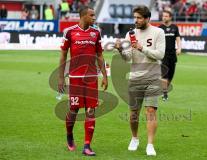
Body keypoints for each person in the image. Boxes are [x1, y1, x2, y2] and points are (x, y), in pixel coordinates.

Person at [115, 5, 165, 156]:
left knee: (151, 111)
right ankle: (135, 138)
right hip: (135, 77)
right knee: (133, 113)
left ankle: (150, 144)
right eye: (134, 17)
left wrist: (142, 48)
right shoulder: (130, 34)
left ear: (147, 18)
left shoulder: (158, 32)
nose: (135, 20)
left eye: (139, 18)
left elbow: (160, 54)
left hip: (153, 77)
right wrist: (120, 50)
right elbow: (128, 57)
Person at [58, 5, 108, 156]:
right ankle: (69, 135)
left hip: (91, 78)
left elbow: (99, 55)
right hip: (75, 78)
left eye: (94, 15)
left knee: (91, 111)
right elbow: (63, 55)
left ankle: (87, 145)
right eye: (92, 15)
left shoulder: (96, 32)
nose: (94, 18)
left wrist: (105, 76)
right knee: (73, 110)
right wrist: (61, 77)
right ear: (83, 16)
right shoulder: (70, 32)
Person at [159, 10, 181, 101]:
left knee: (171, 75)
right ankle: (165, 94)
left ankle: (164, 89)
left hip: (172, 55)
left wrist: (179, 48)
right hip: (163, 55)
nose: (164, 17)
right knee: (165, 74)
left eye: (166, 16)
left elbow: (178, 39)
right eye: (163, 16)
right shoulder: (159, 28)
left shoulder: (175, 27)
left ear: (170, 17)